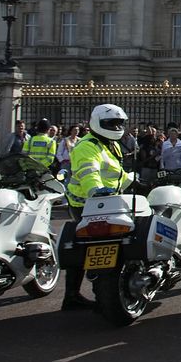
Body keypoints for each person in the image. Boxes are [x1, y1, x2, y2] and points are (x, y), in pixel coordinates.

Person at [63, 104, 132, 311]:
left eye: (119, 123)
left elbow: (114, 172)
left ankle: (105, 287)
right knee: (82, 246)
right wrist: (95, 190)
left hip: (110, 201)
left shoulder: (111, 144)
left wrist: (134, 181)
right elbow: (88, 171)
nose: (116, 126)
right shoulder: (86, 145)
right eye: (111, 123)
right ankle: (72, 295)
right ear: (97, 123)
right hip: (84, 203)